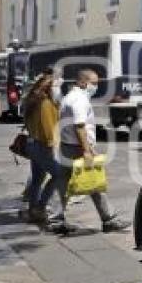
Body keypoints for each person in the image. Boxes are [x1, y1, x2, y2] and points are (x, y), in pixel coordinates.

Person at [50, 68, 129, 234]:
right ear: (82, 82)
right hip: (78, 148)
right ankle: (109, 220)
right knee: (94, 182)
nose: (96, 87)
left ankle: (56, 220)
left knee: (64, 184)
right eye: (93, 83)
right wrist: (86, 150)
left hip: (67, 146)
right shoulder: (79, 100)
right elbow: (80, 126)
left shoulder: (69, 97)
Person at [23, 76, 64, 224]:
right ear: (49, 88)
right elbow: (49, 129)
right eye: (57, 86)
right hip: (42, 146)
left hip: (32, 144)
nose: (60, 90)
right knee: (59, 174)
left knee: (37, 179)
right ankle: (40, 207)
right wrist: (52, 147)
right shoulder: (46, 104)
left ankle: (33, 210)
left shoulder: (34, 102)